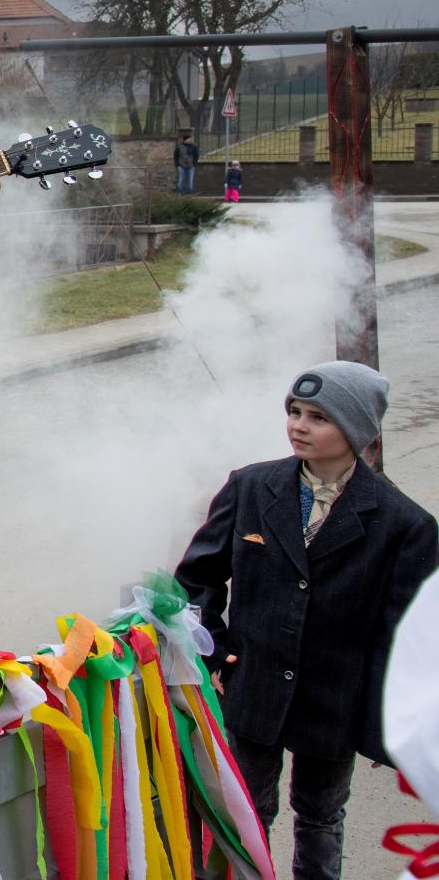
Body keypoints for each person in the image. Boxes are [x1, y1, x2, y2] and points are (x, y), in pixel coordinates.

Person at [174, 361, 437, 880]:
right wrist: (215, 651)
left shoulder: (404, 523)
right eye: (294, 412)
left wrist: (386, 722)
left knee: (321, 817)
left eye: (318, 417)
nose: (299, 426)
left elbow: (404, 636)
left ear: (357, 429)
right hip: (252, 685)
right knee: (245, 811)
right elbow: (196, 579)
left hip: (336, 700)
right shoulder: (250, 487)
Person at [174, 128, 200, 196]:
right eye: (189, 139)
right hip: (181, 166)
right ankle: (180, 193)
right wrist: (177, 165)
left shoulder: (194, 147)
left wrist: (194, 164)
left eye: (191, 139)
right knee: (181, 180)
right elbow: (175, 156)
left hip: (191, 166)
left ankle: (189, 194)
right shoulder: (179, 147)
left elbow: (196, 155)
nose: (191, 140)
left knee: (190, 181)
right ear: (185, 140)